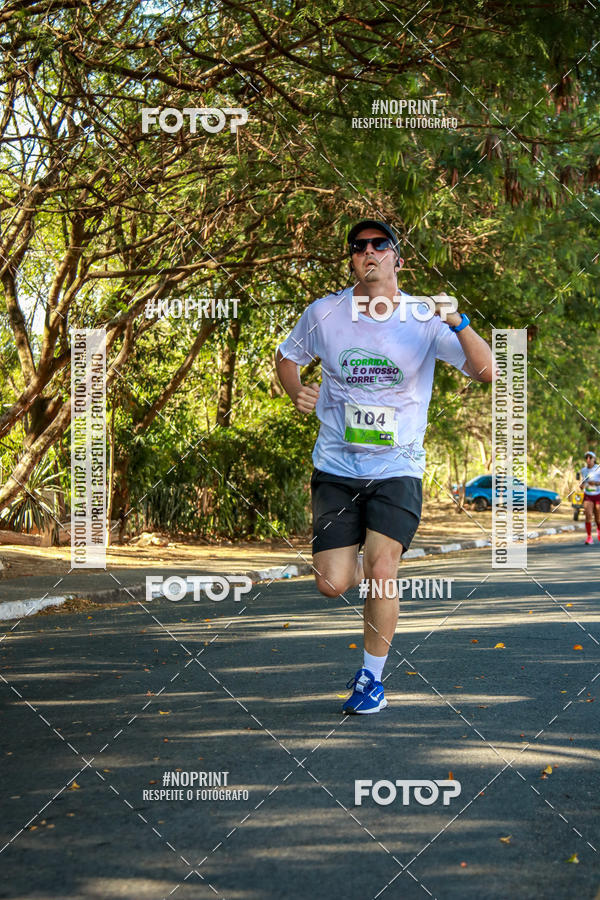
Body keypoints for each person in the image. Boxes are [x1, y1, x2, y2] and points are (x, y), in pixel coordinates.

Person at [275, 219, 494, 714]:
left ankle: (370, 680)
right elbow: (287, 358)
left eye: (379, 244)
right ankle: (349, 555)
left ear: (398, 257)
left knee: (381, 569)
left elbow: (486, 371)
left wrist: (457, 322)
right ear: (352, 259)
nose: (368, 252)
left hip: (398, 467)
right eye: (358, 247)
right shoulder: (325, 313)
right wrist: (297, 391)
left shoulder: (423, 316)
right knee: (332, 583)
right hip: (335, 465)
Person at [579, 451, 600, 544]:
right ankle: (589, 537)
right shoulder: (583, 470)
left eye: (590, 457)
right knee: (588, 515)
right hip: (588, 495)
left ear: (594, 459)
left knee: (598, 517)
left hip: (598, 494)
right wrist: (582, 485)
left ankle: (599, 532)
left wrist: (595, 483)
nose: (588, 459)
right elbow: (583, 482)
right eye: (586, 458)